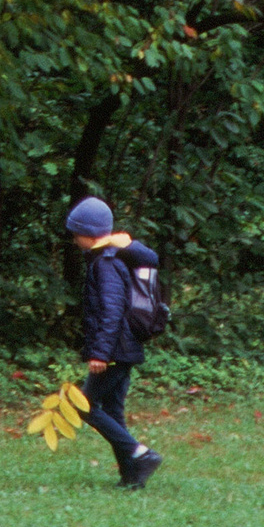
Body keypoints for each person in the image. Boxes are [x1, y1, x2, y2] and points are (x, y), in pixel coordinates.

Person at [64, 193, 162, 488]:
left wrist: (100, 353)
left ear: (88, 233)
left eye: (75, 233)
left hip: (116, 348)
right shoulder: (109, 258)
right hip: (124, 347)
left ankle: (141, 454)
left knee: (84, 406)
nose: (73, 239)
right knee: (113, 411)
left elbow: (111, 310)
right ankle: (132, 477)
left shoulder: (105, 264)